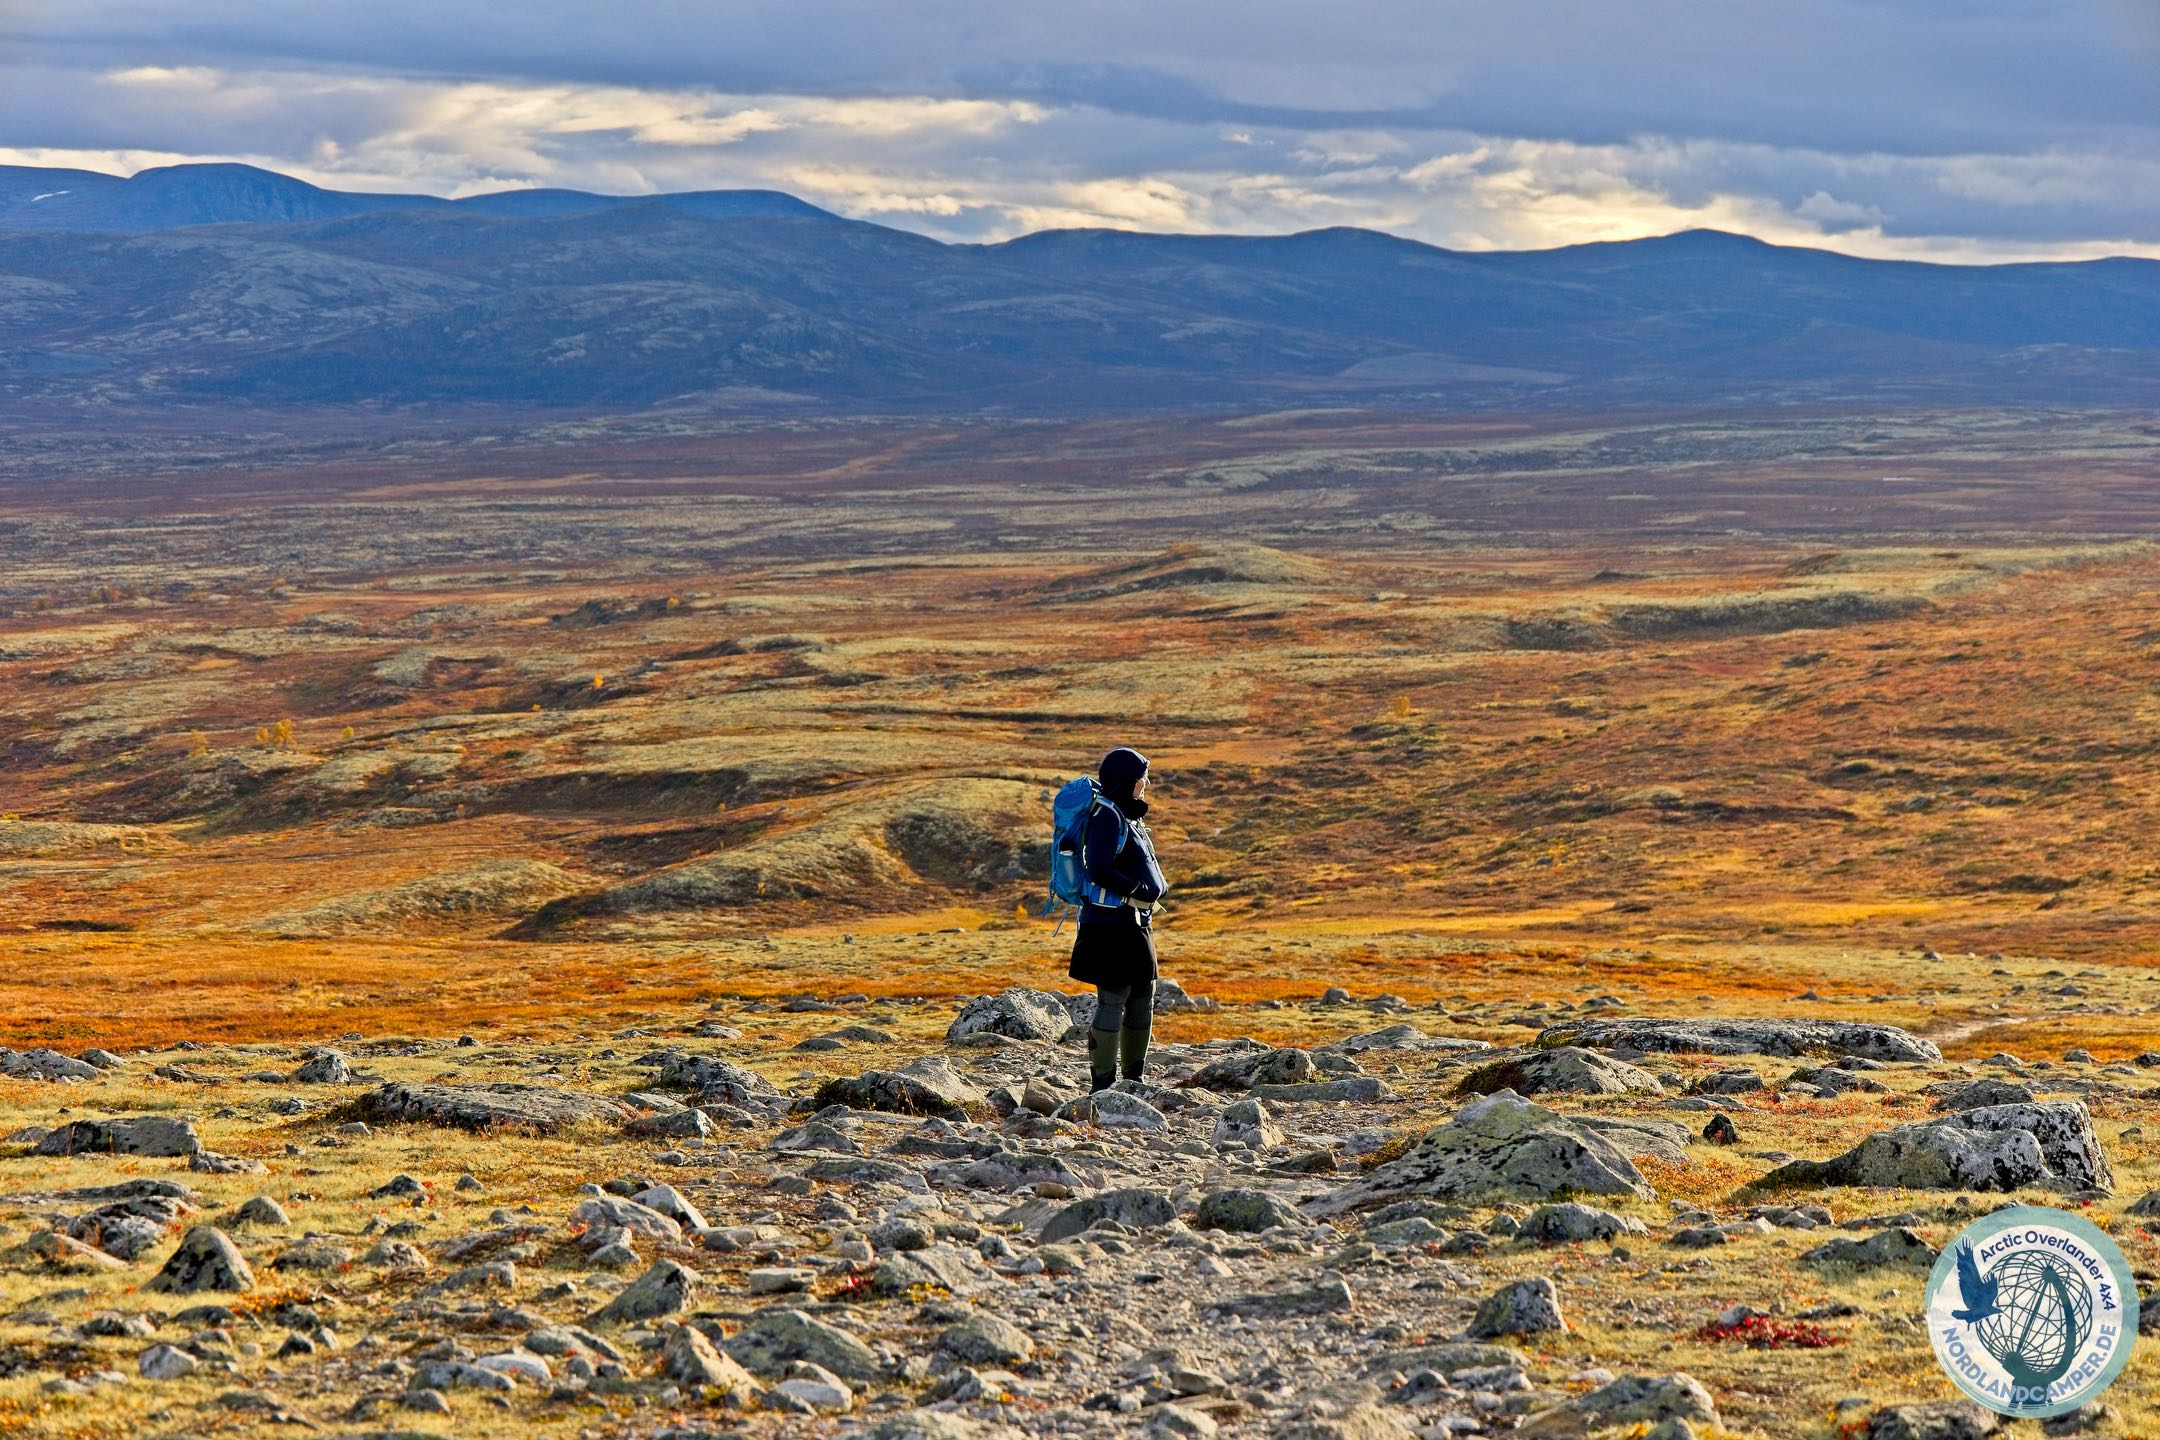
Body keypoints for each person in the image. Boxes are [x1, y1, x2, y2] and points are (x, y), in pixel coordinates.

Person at [1068, 745, 1168, 1091]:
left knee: (1142, 996)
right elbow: (1097, 868)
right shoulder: (1107, 816)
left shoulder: (1126, 814)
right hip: (1109, 925)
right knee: (1113, 1000)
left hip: (1134, 923)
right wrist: (1136, 888)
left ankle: (1134, 1081)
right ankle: (1103, 1085)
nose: (1146, 783)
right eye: (1142, 778)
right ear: (1127, 781)